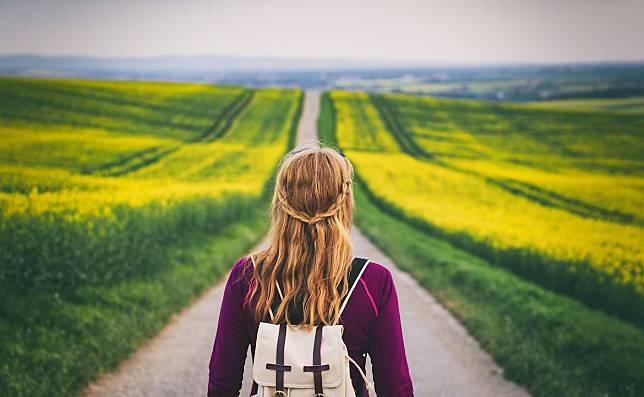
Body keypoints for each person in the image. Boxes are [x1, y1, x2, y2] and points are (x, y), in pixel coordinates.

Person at [207, 144, 414, 396]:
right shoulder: (373, 281)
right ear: (345, 204)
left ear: (280, 203)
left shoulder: (248, 276)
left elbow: (222, 383)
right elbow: (395, 387)